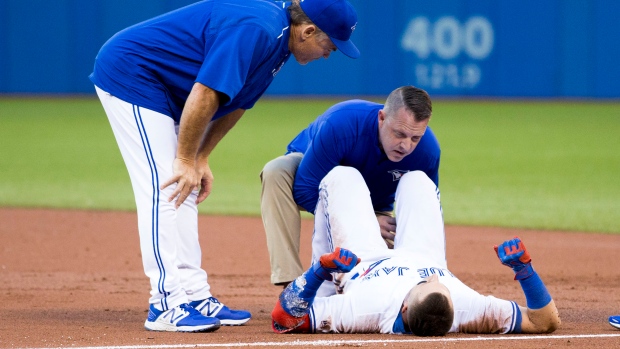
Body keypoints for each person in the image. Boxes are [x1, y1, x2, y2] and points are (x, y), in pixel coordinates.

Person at [89, 0, 359, 332]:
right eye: (329, 44)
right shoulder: (258, 28)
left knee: (185, 188)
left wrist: (200, 158)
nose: (329, 53)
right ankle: (164, 303)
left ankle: (193, 293)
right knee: (166, 186)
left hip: (168, 90)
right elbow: (206, 91)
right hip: (133, 75)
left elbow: (237, 103)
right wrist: (185, 159)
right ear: (307, 31)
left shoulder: (280, 43)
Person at [271, 166, 561, 335]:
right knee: (418, 180)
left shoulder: (366, 311)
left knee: (342, 176)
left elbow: (284, 319)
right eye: (440, 284)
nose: (435, 280)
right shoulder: (464, 308)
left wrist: (320, 270)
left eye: (424, 283)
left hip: (362, 263)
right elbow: (544, 321)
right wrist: (525, 270)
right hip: (425, 254)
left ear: (406, 307)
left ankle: (324, 290)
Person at [261, 86, 440, 288]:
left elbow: (426, 215)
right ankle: (291, 287)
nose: (406, 145)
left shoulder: (427, 152)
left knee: (383, 282)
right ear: (381, 118)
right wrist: (365, 222)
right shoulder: (343, 123)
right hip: (313, 181)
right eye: (399, 133)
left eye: (415, 138)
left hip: (375, 209)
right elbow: (304, 188)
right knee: (276, 172)